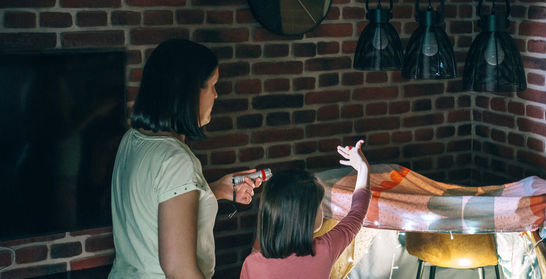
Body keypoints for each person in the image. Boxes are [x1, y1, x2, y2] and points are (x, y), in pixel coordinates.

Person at [108, 39, 262, 279]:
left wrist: (215, 190)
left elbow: (155, 204)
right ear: (189, 92)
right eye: (212, 85)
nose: (216, 94)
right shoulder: (176, 160)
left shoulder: (132, 140)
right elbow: (180, 270)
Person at [240, 140, 371, 278]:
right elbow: (356, 215)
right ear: (306, 215)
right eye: (320, 204)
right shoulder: (325, 250)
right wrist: (363, 168)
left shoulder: (251, 264)